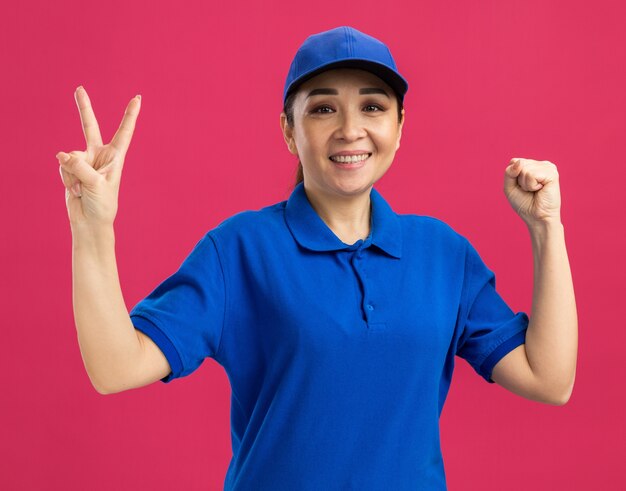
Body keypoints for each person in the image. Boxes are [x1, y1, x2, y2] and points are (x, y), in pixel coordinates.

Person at [56, 26, 577, 491]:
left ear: (400, 126)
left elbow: (548, 380)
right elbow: (116, 368)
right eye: (323, 108)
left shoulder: (443, 254)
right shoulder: (239, 249)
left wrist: (545, 228)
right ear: (289, 129)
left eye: (372, 107)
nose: (350, 129)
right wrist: (92, 228)